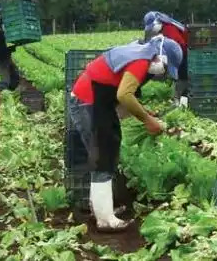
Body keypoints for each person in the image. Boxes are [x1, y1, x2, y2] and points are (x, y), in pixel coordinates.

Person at [69, 35, 183, 232]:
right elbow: (124, 94)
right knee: (102, 155)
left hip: (96, 102)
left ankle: (100, 209)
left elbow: (120, 93)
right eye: (165, 68)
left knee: (106, 151)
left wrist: (145, 113)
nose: (161, 74)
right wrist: (147, 120)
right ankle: (105, 220)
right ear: (160, 58)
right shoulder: (141, 61)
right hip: (88, 102)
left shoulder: (139, 53)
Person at [143, 11, 189, 102]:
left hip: (183, 53)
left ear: (158, 23)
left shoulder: (169, 28)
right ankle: (177, 96)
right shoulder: (164, 28)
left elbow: (179, 47)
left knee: (182, 76)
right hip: (180, 52)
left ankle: (179, 97)